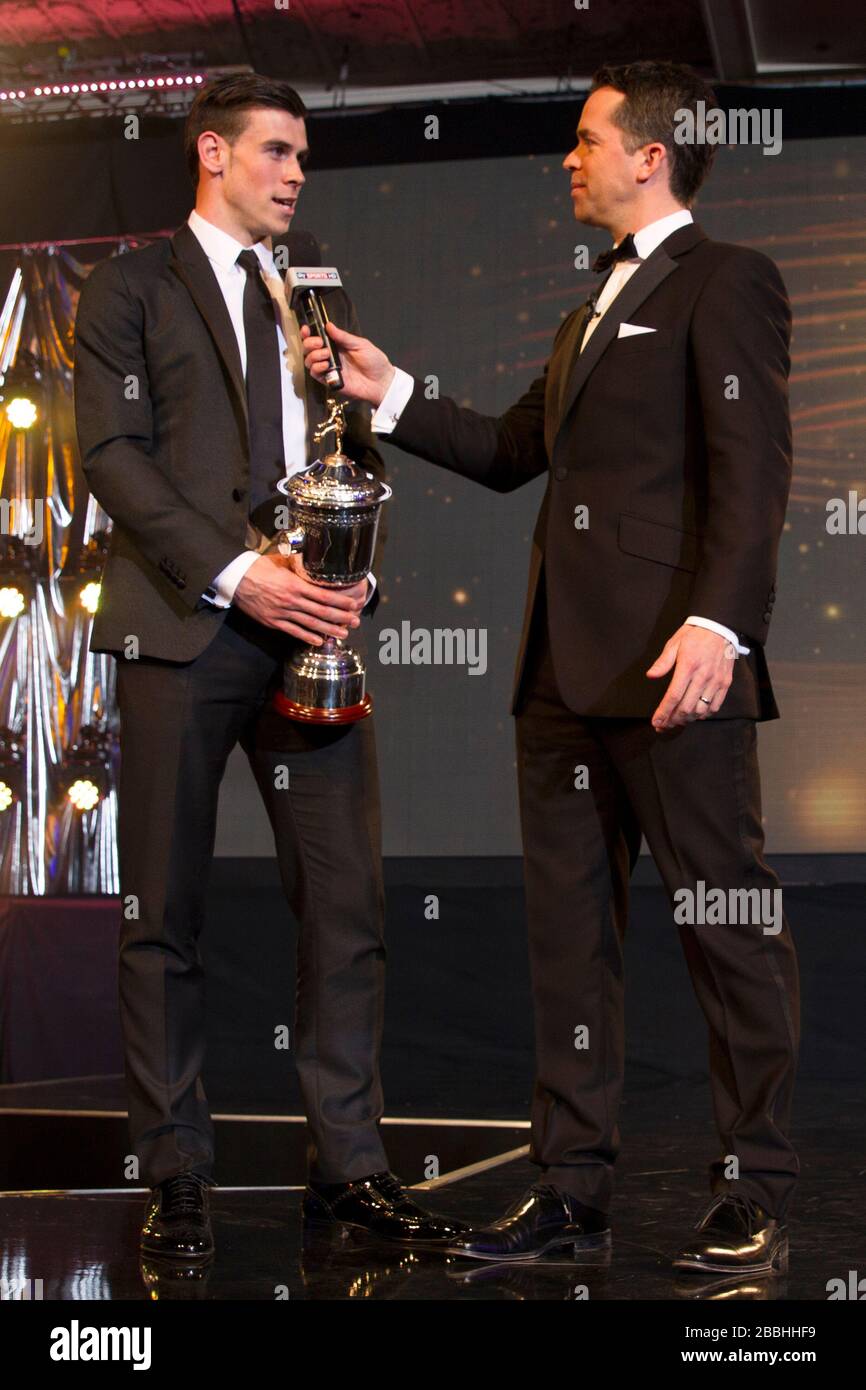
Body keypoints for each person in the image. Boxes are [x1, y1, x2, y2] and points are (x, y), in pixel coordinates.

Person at [301, 59, 800, 1276]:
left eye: (585, 140)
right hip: (557, 682)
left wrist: (720, 627)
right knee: (568, 947)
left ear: (651, 155)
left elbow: (754, 472)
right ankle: (570, 1194)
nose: (566, 160)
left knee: (724, 930)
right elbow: (516, 447)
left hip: (675, 674)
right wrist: (390, 392)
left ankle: (757, 1185)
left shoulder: (725, 281)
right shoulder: (590, 305)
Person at [73, 73, 466, 1261]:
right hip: (190, 626)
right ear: (211, 154)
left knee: (346, 908)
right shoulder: (130, 285)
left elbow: (344, 463)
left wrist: (347, 577)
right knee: (165, 913)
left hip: (315, 637)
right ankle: (177, 1172)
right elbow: (112, 456)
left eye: (304, 156)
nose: (298, 174)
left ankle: (348, 1172)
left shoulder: (317, 290)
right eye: (279, 152)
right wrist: (241, 574)